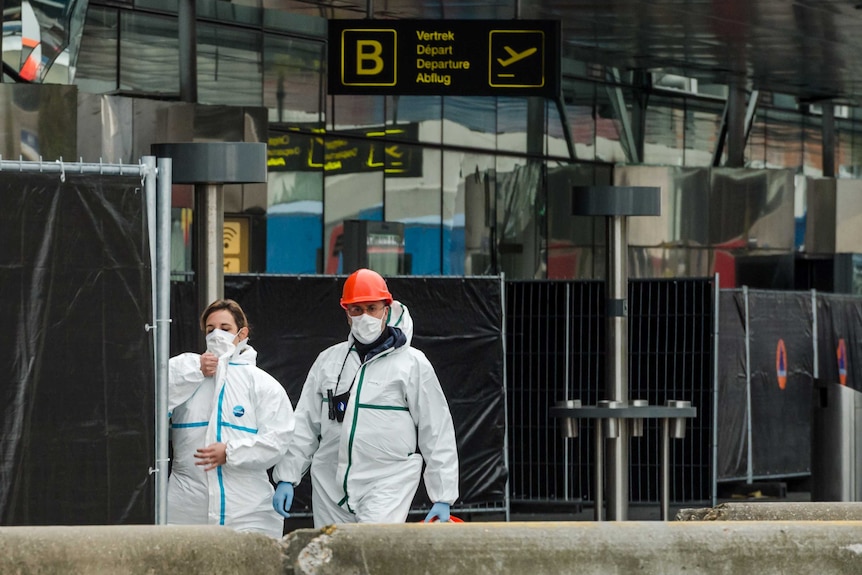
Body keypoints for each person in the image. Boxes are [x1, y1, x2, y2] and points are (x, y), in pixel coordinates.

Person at [272, 268, 459, 526]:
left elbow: (436, 429)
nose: (365, 317)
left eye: (372, 308)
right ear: (346, 314)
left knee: (371, 554)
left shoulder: (412, 364)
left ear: (387, 308)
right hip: (330, 484)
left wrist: (443, 495)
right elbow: (305, 423)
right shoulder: (329, 361)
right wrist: (286, 476)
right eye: (356, 310)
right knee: (334, 559)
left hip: (388, 480)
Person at [168, 298, 295, 538]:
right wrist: (194, 369)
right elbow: (150, 397)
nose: (217, 335)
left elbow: (278, 440)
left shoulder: (261, 383)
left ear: (242, 333)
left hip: (247, 510)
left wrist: (231, 452)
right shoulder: (188, 377)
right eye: (210, 329)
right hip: (186, 509)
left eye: (225, 329)